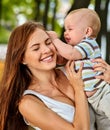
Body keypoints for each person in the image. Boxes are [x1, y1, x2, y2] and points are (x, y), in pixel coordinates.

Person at [0, 21, 90, 130]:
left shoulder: (73, 70)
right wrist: (79, 89)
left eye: (48, 42)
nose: (47, 50)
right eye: (36, 48)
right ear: (22, 58)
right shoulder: (28, 103)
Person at [48, 8, 110, 130]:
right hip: (93, 100)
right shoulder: (78, 50)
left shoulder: (88, 44)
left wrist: (54, 39)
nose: (66, 33)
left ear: (87, 31)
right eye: (65, 29)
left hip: (102, 94)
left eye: (70, 29)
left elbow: (70, 54)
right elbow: (65, 58)